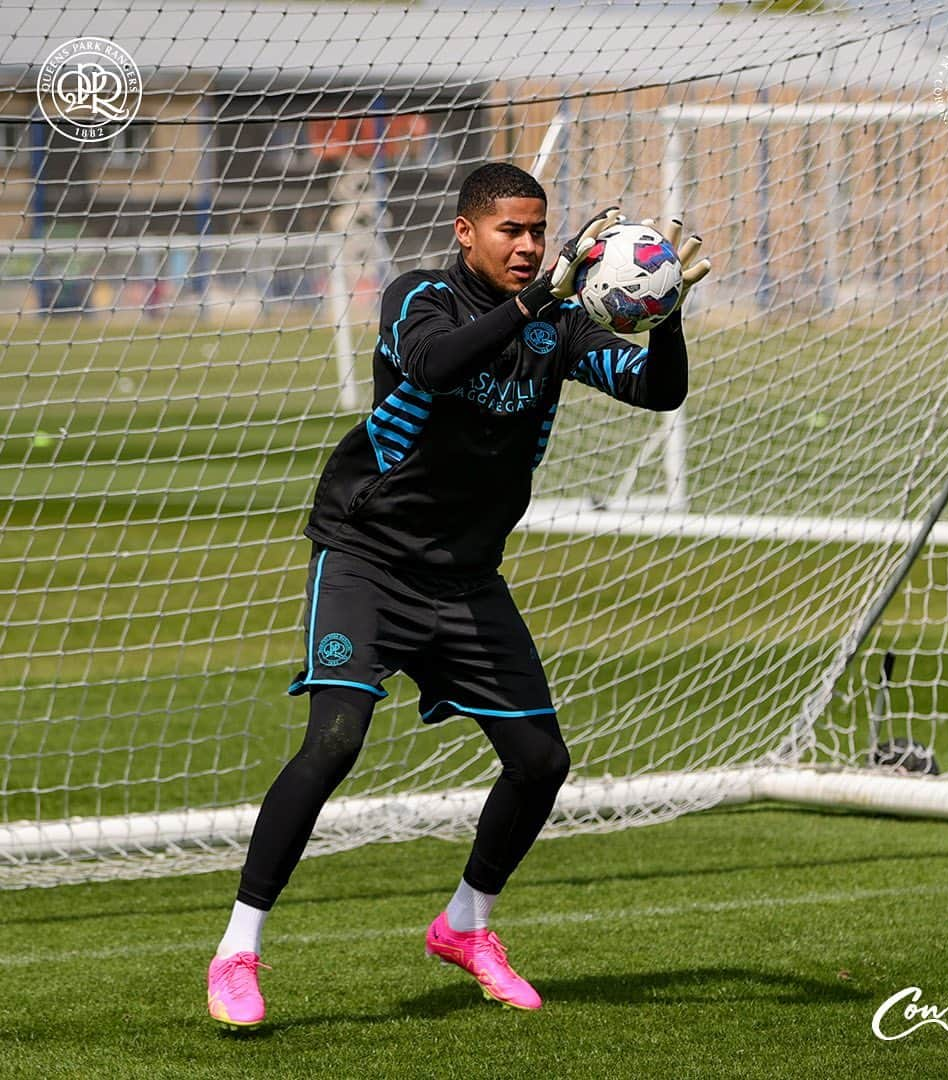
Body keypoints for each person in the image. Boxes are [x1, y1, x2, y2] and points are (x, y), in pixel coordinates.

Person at [207, 162, 710, 1026]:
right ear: (465, 232)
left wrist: (663, 317)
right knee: (334, 740)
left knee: (542, 763)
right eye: (510, 230)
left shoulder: (559, 324)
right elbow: (436, 366)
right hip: (367, 557)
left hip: (468, 579)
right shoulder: (418, 298)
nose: (526, 246)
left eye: (538, 231)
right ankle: (237, 950)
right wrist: (534, 303)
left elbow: (659, 391)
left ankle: (466, 925)